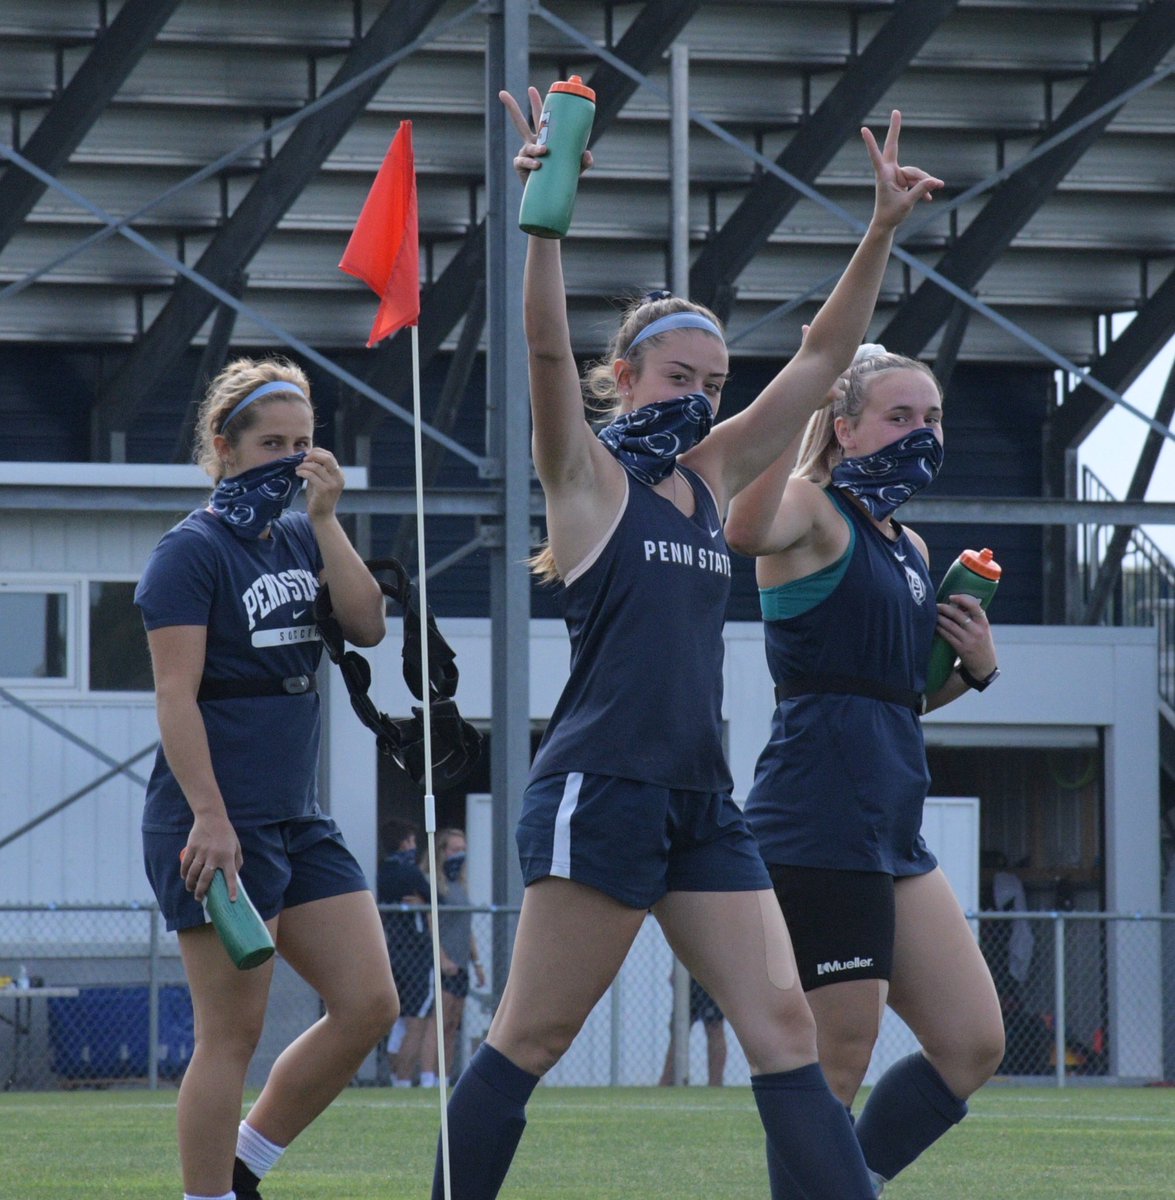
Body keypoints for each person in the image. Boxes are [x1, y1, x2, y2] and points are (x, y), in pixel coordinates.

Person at [429, 88, 942, 1200]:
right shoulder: (587, 478)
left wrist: (878, 231)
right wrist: (542, 215)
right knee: (529, 1039)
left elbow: (820, 360)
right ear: (628, 380)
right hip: (600, 789)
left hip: (701, 802)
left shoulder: (708, 475)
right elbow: (544, 347)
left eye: (713, 381)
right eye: (680, 379)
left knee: (781, 1030)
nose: (702, 395)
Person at [724, 345, 1007, 1194]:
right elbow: (743, 528)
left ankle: (856, 1184)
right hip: (817, 818)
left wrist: (973, 670)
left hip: (892, 825)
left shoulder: (911, 544)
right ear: (843, 429)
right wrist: (795, 398)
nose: (920, 433)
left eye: (931, 419)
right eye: (898, 417)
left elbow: (894, 698)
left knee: (971, 1041)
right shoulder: (810, 509)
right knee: (833, 1058)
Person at [134, 357, 398, 1200]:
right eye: (270, 443)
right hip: (216, 818)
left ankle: (245, 1165)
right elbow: (175, 698)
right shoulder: (190, 551)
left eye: (303, 443)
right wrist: (209, 819)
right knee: (231, 1036)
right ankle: (205, 1197)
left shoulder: (294, 533)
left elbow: (366, 626)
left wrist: (326, 520)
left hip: (295, 814)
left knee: (369, 1004)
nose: (289, 457)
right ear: (226, 448)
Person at [420, 828, 487, 1084]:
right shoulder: (432, 882)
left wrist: (477, 962)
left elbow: (466, 927)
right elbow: (430, 923)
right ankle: (427, 1080)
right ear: (442, 852)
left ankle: (444, 1078)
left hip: (462, 962)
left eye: (463, 850)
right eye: (454, 850)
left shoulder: (460, 883)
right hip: (442, 962)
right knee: (437, 1021)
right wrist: (442, 958)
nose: (460, 855)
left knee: (452, 1025)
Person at [377, 819, 437, 1087]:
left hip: (394, 952)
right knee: (417, 1021)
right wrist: (425, 901)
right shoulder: (409, 873)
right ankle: (402, 1081)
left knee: (399, 1022)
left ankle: (394, 1076)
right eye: (412, 841)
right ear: (404, 843)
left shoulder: (383, 873)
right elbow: (438, 899)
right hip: (416, 953)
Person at [658, 972, 727, 1088]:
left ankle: (715, 1085)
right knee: (677, 1028)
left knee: (714, 1026)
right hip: (686, 973)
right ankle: (666, 1082)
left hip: (711, 971)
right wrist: (676, 971)